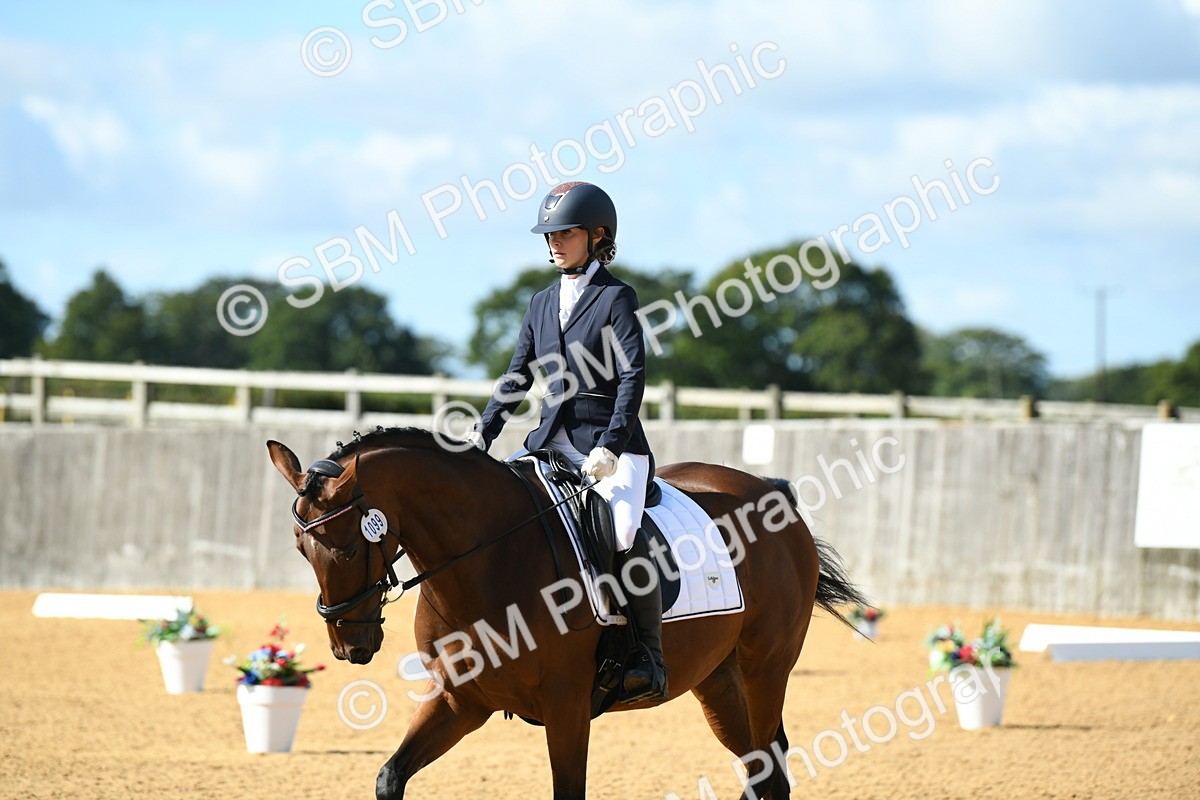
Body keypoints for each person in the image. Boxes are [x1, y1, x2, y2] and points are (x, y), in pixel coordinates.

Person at [465, 180, 667, 701]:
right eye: (550, 235)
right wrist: (483, 432)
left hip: (609, 446)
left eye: (566, 233)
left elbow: (632, 377)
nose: (554, 242)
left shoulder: (616, 297)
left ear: (598, 236)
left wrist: (612, 445)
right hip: (549, 441)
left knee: (622, 530)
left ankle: (644, 652)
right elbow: (517, 375)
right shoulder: (541, 302)